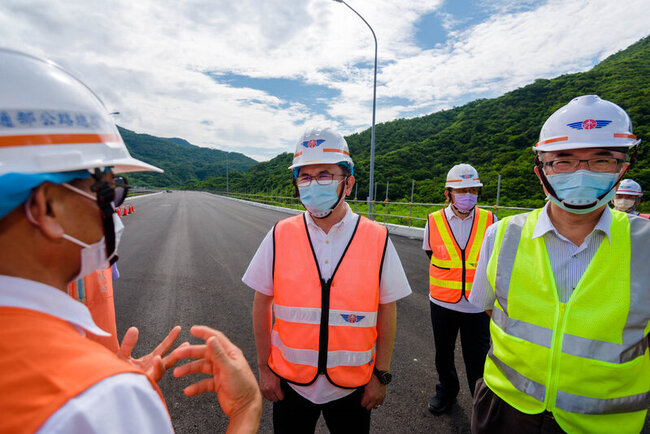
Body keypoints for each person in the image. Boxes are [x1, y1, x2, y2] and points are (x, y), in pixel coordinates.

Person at [0, 48, 261, 433]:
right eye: (107, 191)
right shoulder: (99, 401)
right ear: (47, 208)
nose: (114, 211)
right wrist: (246, 407)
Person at [468, 95, 650, 433]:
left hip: (605, 423)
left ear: (623, 167)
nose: (582, 173)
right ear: (542, 170)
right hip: (506, 409)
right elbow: (492, 310)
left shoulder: (646, 244)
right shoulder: (502, 234)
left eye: (601, 160)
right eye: (563, 161)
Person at [243, 126, 412, 433]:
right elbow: (261, 302)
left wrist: (381, 375)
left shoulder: (376, 237)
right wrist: (264, 367)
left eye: (325, 175)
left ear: (348, 183)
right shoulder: (280, 234)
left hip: (353, 388)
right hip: (291, 384)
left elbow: (387, 309)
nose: (313, 184)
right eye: (305, 177)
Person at [423, 164, 494, 414]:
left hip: (477, 304)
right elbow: (431, 253)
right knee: (443, 352)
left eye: (473, 190)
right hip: (442, 302)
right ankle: (446, 391)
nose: (468, 195)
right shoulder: (433, 220)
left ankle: (480, 400)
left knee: (478, 356)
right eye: (461, 190)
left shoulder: (490, 220)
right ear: (448, 193)